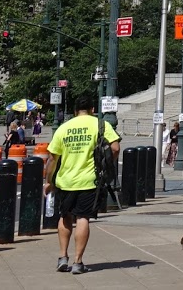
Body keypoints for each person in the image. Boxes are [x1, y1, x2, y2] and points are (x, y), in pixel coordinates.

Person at [44, 94, 120, 275]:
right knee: (82, 218)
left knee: (65, 217)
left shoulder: (64, 128)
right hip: (89, 180)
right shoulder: (101, 125)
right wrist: (105, 165)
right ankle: (78, 262)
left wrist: (49, 181)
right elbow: (115, 147)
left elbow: (52, 159)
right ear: (93, 110)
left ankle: (63, 257)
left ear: (75, 110)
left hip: (65, 180)